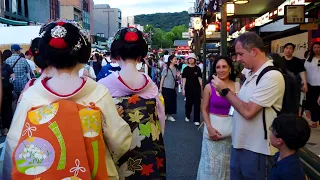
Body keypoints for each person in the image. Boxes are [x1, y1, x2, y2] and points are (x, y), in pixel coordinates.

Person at [3, 20, 132, 180]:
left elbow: (14, 144)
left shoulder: (32, 95)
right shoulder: (98, 92)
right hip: (93, 173)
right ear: (82, 53)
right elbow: (120, 140)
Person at [212, 32, 285, 179]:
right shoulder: (251, 74)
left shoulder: (271, 76)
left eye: (240, 54)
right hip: (240, 144)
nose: (238, 59)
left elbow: (248, 111)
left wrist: (225, 91)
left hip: (258, 149)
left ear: (254, 51)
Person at [98, 27, 166, 180]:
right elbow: (160, 124)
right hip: (148, 149)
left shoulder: (103, 85)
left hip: (117, 152)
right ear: (141, 56)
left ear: (116, 54)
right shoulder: (151, 86)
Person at [197, 56, 235, 180]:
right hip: (212, 133)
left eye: (224, 66)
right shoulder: (209, 87)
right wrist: (209, 127)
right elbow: (204, 108)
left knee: (228, 167)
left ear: (230, 68)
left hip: (232, 135)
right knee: (210, 168)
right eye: (218, 67)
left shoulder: (238, 86)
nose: (221, 70)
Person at [269, 114, 310, 180]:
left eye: (272, 129)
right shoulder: (281, 157)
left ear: (279, 141)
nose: (270, 132)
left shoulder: (289, 171)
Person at [182, 53, 202, 126]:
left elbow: (200, 78)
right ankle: (187, 115)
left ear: (194, 60)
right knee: (188, 104)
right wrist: (183, 89)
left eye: (192, 58)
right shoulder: (185, 69)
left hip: (197, 89)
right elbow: (184, 79)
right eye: (189, 58)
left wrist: (202, 88)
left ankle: (196, 119)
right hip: (188, 88)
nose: (190, 60)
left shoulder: (198, 68)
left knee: (197, 104)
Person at [304, 42, 320, 128]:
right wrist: (304, 83)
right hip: (311, 84)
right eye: (314, 47)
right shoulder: (309, 59)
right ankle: (314, 120)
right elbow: (305, 71)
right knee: (313, 103)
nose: (316, 49)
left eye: (318, 47)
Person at [160, 55, 178, 122]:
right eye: (175, 59)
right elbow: (162, 78)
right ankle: (165, 115)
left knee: (172, 102)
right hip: (166, 88)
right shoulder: (166, 68)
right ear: (171, 60)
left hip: (172, 88)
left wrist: (178, 77)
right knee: (166, 102)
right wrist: (160, 88)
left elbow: (175, 79)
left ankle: (170, 115)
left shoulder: (176, 69)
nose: (176, 60)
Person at [1, 51, 15, 136]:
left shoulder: (6, 66)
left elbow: (13, 76)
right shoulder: (6, 66)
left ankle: (6, 128)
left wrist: (11, 80)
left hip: (6, 92)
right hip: (5, 92)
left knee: (6, 111)